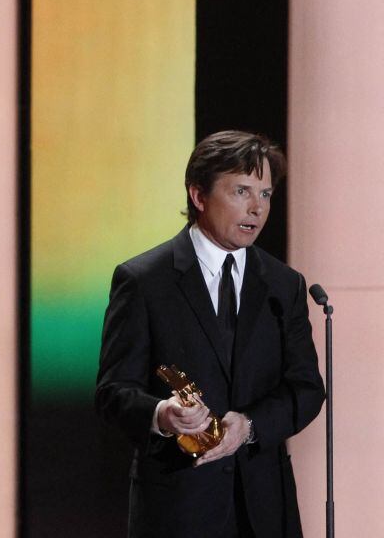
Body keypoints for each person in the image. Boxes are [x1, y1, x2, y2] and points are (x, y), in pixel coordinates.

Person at [96, 130, 325, 538]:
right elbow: (114, 391)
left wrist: (249, 426)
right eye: (241, 191)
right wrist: (162, 416)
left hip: (265, 510)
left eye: (266, 194)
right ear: (199, 195)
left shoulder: (283, 284)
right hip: (180, 508)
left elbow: (305, 389)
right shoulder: (145, 281)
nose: (257, 208)